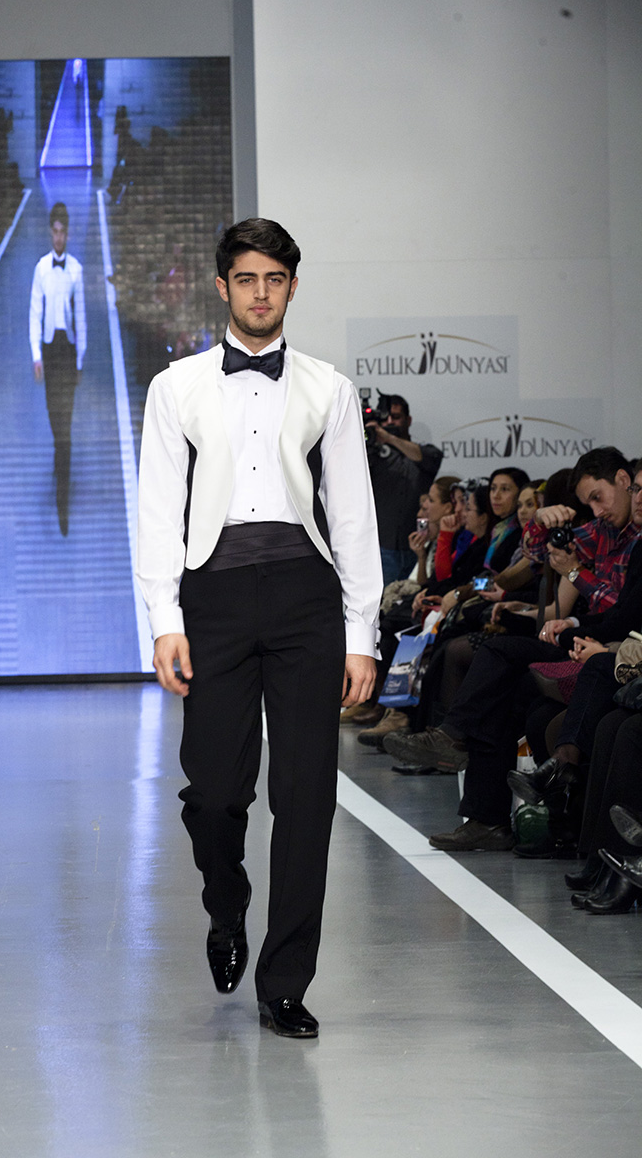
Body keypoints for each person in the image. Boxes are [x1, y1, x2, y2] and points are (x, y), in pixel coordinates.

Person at [135, 218, 382, 1039]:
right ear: (223, 288)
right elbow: (158, 513)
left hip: (306, 597)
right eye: (247, 278)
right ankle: (227, 900)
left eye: (275, 279)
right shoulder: (175, 387)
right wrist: (165, 619)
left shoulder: (328, 388)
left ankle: (284, 985)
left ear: (293, 287)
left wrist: (361, 635)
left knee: (307, 796)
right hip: (213, 596)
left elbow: (353, 516)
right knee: (213, 793)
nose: (261, 293)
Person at [383, 447, 641, 848]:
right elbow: (522, 561)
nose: (506, 502)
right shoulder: (587, 531)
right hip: (577, 634)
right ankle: (480, 806)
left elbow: (621, 611)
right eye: (499, 493)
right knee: (493, 678)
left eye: (518, 497)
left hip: (606, 646)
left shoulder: (627, 540)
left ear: (622, 481)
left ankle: (448, 736)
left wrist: (567, 579)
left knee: (483, 653)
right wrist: (538, 522)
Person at [29, 201, 86, 536]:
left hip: (68, 352)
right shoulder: (41, 269)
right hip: (50, 353)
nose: (59, 237)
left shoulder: (76, 270)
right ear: (50, 233)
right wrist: (36, 354)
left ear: (68, 234)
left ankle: (62, 504)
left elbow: (81, 317)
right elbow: (34, 312)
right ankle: (59, 458)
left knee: (65, 428)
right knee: (56, 420)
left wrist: (80, 360)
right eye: (55, 231)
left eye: (63, 232)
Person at [366, 394, 441, 584]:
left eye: (396, 417)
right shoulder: (373, 455)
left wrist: (389, 438)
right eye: (386, 418)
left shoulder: (424, 452)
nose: (390, 422)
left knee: (416, 598)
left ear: (408, 420)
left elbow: (432, 458)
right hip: (382, 548)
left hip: (419, 546)